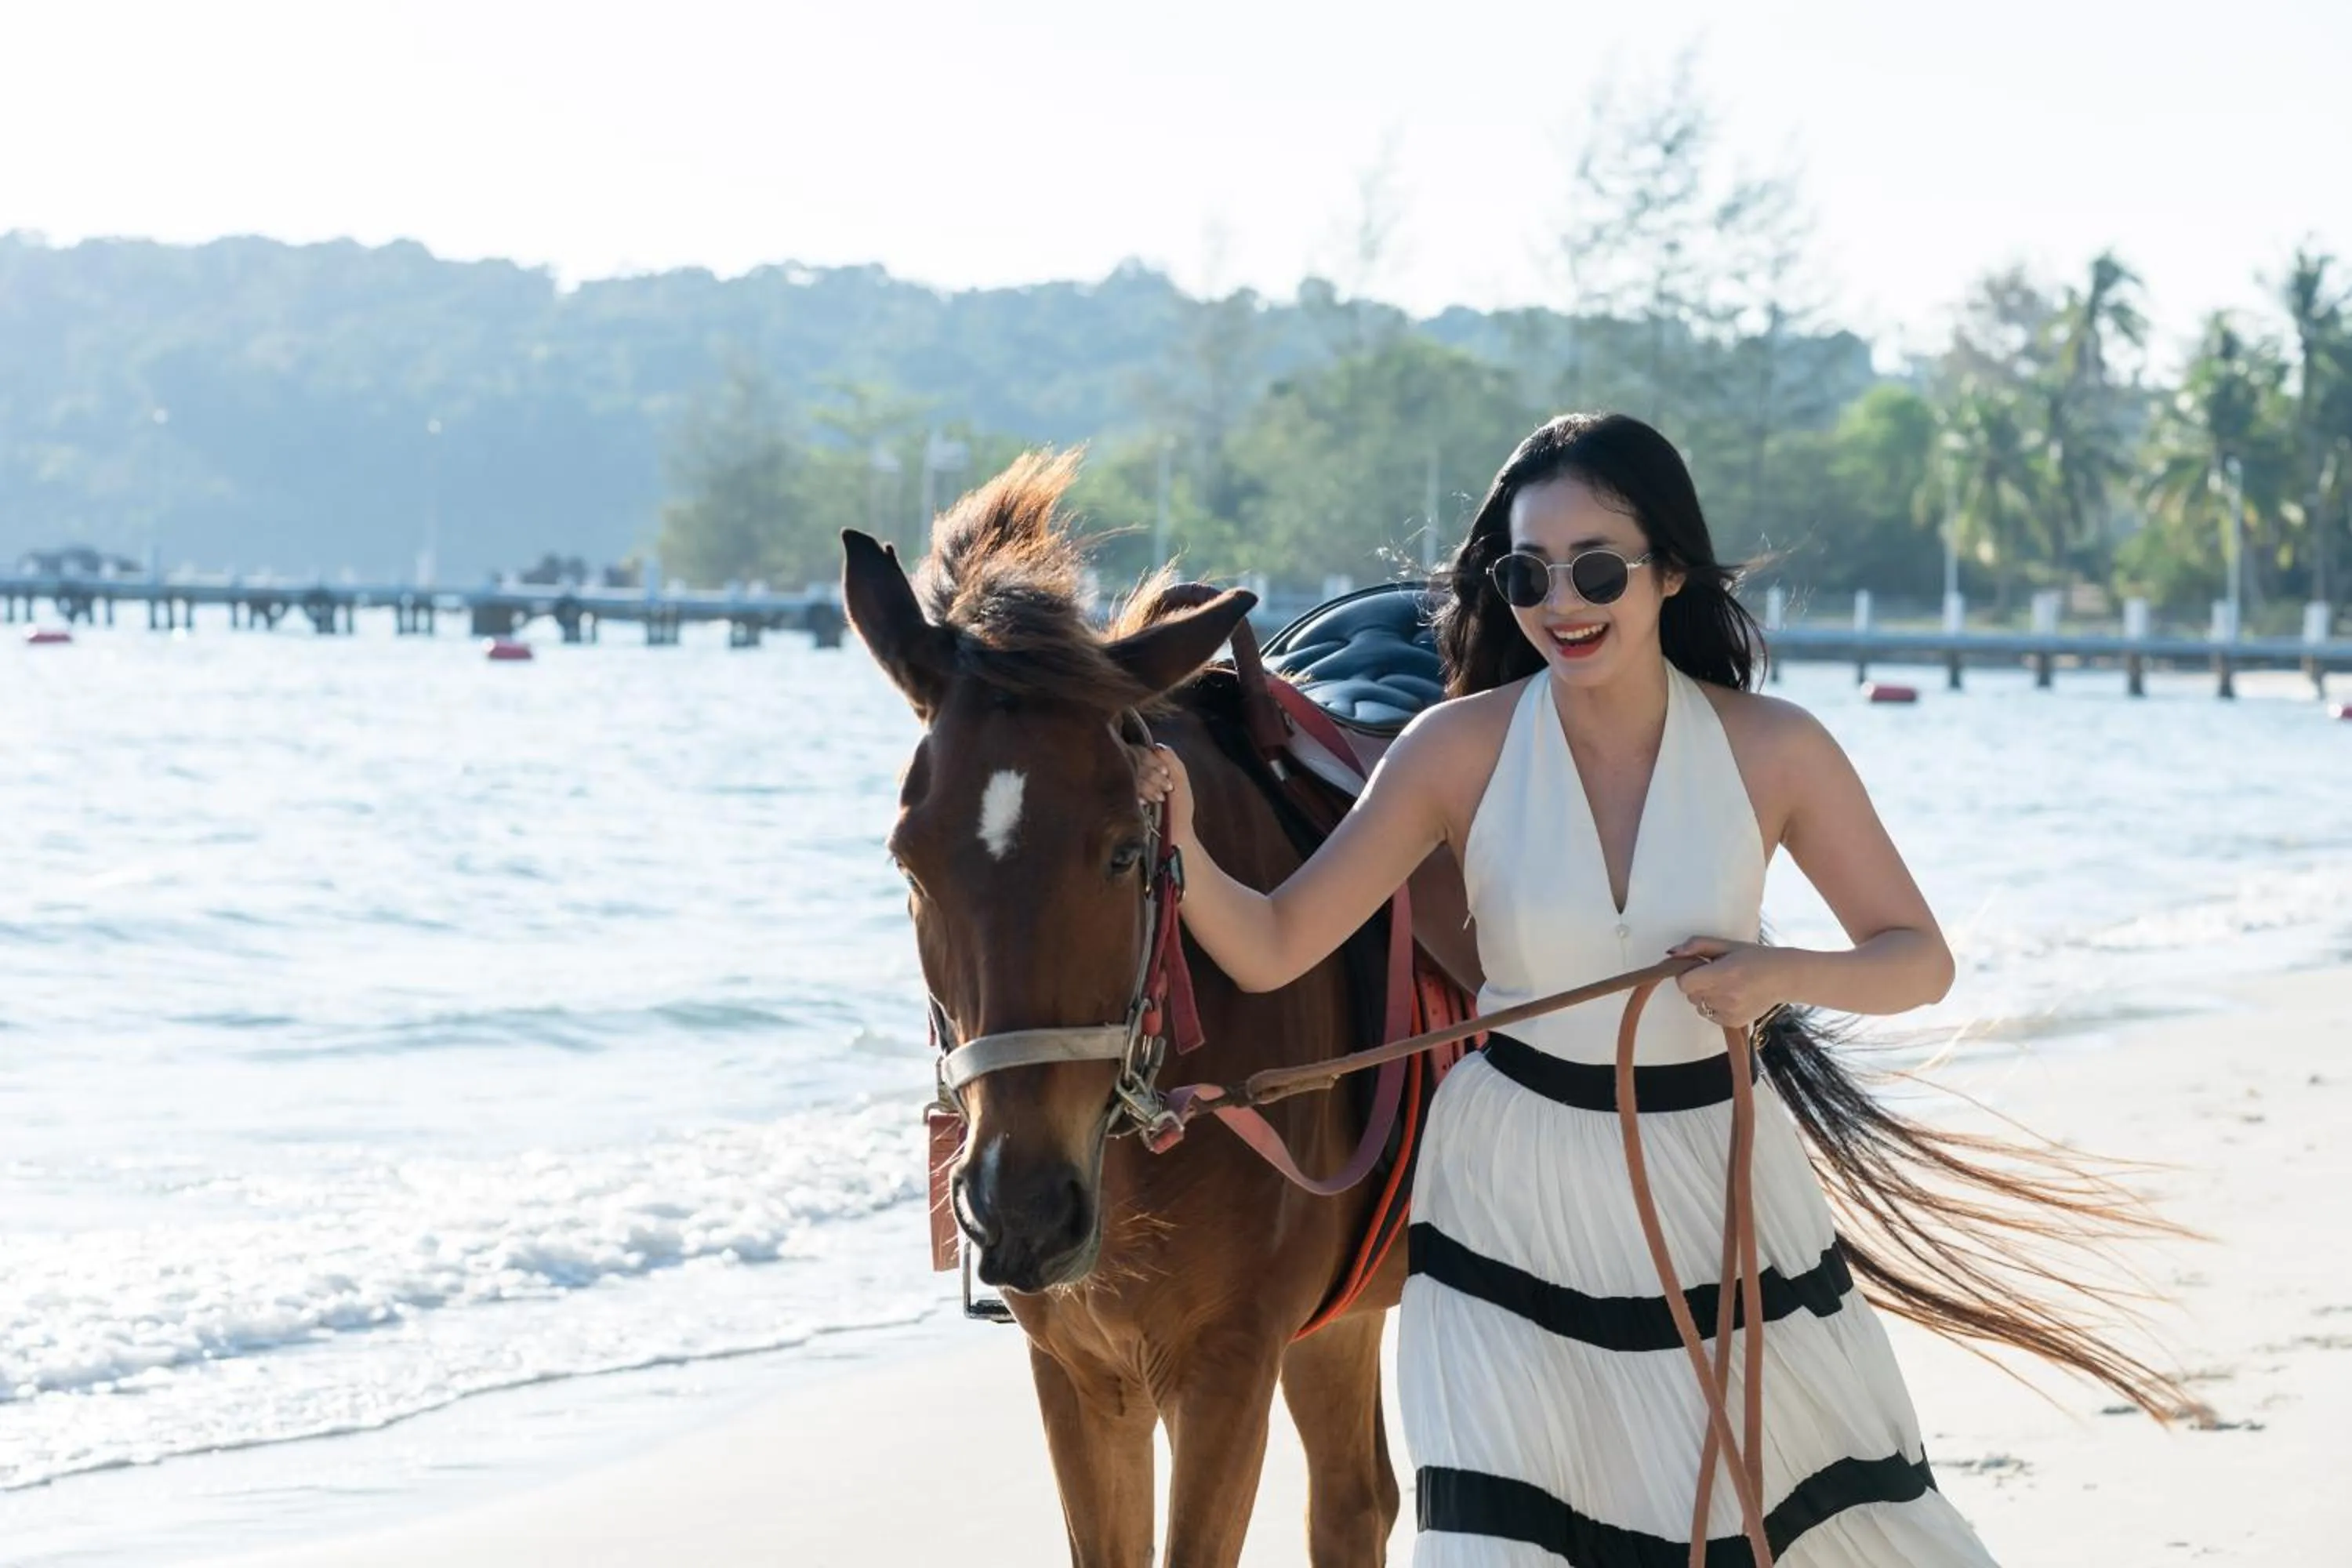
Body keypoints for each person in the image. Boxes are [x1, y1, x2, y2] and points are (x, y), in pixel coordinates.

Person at [1135, 413, 2175, 1564]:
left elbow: (1915, 959)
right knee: (1501, 1540)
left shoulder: (1776, 748)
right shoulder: (1452, 749)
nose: (1561, 603)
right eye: (1527, 573)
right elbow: (1277, 943)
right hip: (1504, 1185)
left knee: (1780, 1525)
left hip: (1715, 1177)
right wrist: (1180, 845)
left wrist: (1776, 975)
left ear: (1669, 571)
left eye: (1597, 569)